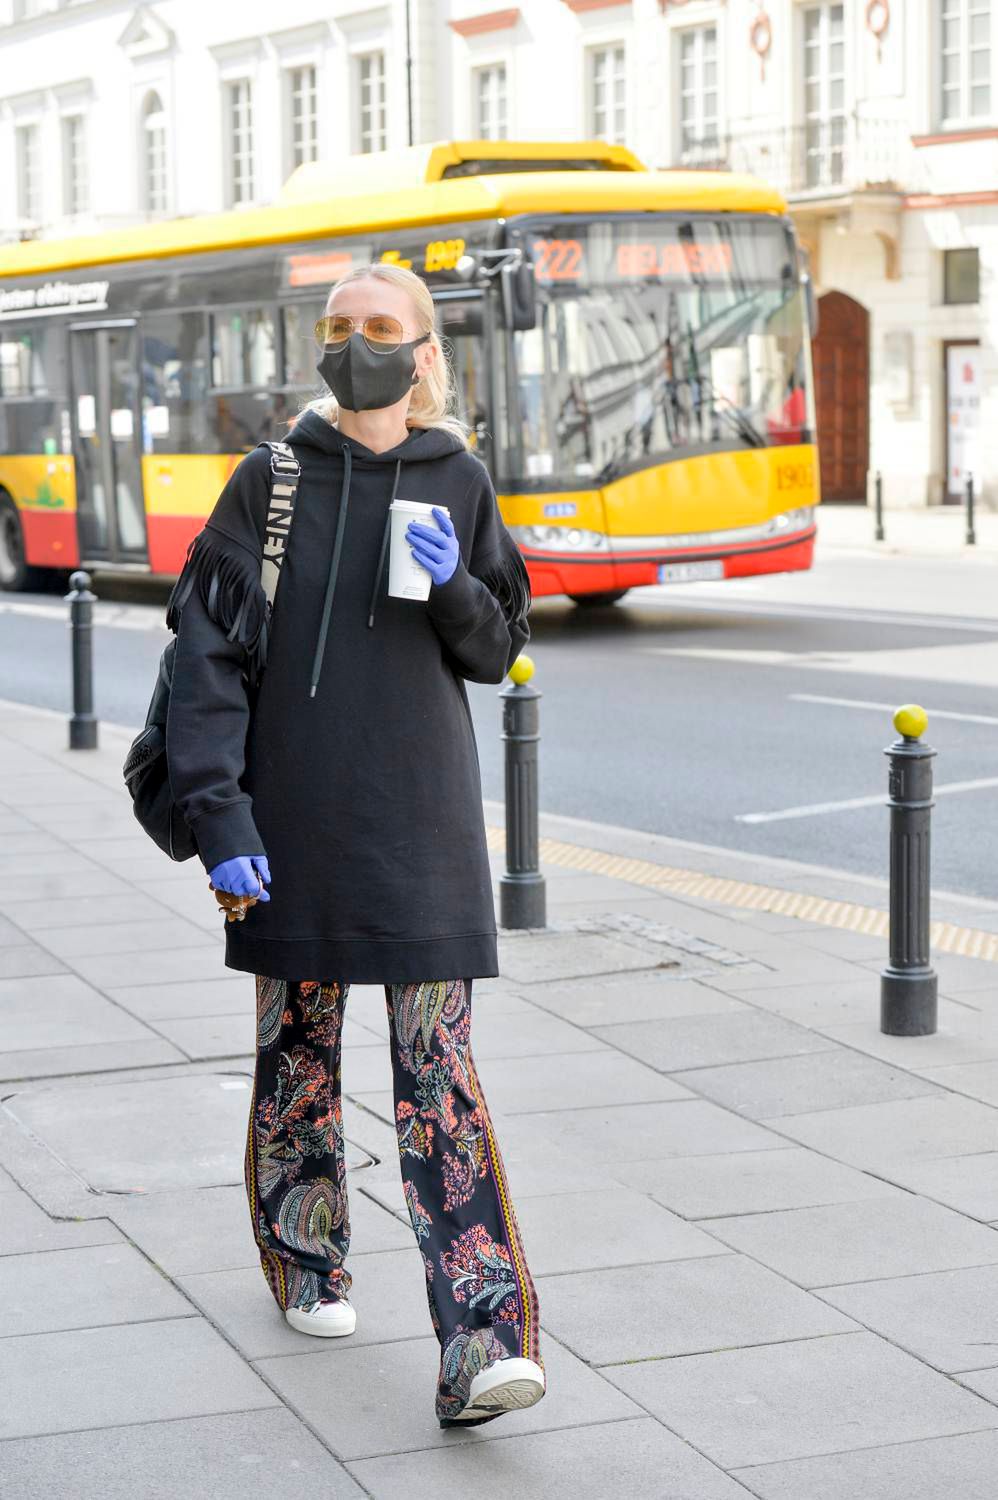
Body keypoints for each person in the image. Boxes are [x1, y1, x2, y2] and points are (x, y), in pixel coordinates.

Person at [163, 261, 544, 1428]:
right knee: (300, 1058)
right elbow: (204, 663)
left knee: (439, 1082)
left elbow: (498, 647)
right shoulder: (268, 482)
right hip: (293, 826)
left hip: (422, 824)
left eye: (382, 328)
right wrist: (221, 820)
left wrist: (453, 593)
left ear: (425, 352)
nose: (358, 344)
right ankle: (310, 1255)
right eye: (339, 328)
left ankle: (481, 1345)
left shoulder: (457, 477)